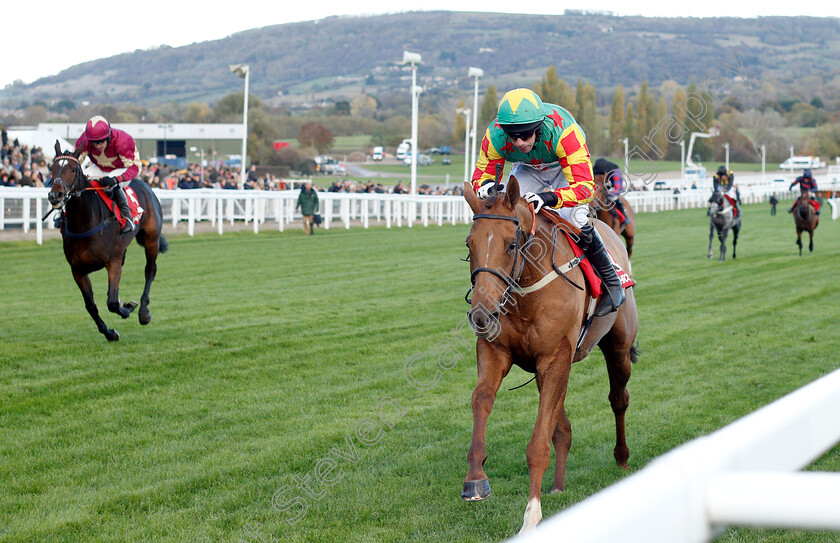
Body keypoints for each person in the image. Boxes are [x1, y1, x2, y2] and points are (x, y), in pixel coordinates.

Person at [471, 88, 624, 316]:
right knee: (505, 215)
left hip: (564, 168)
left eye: (525, 135)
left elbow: (584, 190)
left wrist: (550, 197)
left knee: (574, 216)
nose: (520, 142)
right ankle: (497, 283)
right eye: (513, 137)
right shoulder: (495, 135)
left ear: (539, 127)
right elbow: (480, 176)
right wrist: (485, 187)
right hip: (528, 169)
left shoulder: (565, 132)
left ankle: (612, 282)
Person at [74, 116, 141, 234]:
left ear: (109, 135)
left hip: (121, 169)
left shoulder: (123, 140)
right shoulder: (84, 140)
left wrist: (116, 179)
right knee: (79, 181)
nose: (98, 146)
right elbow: (75, 161)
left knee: (111, 184)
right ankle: (65, 215)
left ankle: (127, 218)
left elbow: (135, 168)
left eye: (101, 141)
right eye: (95, 143)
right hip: (99, 168)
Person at [592, 158, 630, 227]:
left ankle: (624, 217)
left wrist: (608, 193)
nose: (598, 176)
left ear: (606, 173)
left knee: (613, 197)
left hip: (611, 186)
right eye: (597, 175)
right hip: (600, 187)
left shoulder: (615, 171)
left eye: (601, 175)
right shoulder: (593, 170)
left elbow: (618, 189)